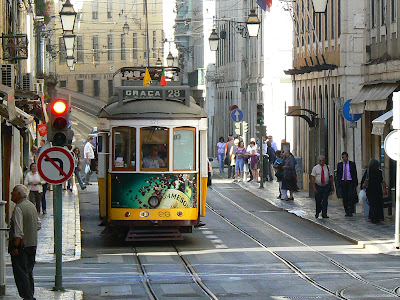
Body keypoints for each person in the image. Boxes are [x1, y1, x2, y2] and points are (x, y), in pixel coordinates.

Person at [8, 184, 41, 300]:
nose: (11, 194)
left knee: (21, 273)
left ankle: (27, 297)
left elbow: (18, 231)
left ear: (18, 194)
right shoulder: (31, 206)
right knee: (29, 271)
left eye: (13, 192)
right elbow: (38, 224)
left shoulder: (18, 208)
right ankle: (30, 294)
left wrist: (15, 246)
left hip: (21, 246)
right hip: (32, 244)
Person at [361, 158, 387, 224]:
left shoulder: (368, 172)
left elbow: (363, 180)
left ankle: (373, 217)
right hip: (378, 190)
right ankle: (378, 217)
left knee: (372, 204)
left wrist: (362, 187)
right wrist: (384, 189)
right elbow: (383, 181)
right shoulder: (379, 172)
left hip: (370, 190)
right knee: (378, 204)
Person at [336, 152, 358, 217]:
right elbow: (338, 174)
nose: (344, 158)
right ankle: (346, 211)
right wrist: (339, 182)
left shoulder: (352, 164)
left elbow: (354, 173)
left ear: (347, 157)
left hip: (350, 182)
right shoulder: (340, 165)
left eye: (345, 157)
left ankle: (351, 210)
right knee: (345, 197)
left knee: (350, 197)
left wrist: (355, 183)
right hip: (343, 182)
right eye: (343, 157)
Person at [36, 140, 47, 214]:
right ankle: (38, 210)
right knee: (38, 197)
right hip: (37, 184)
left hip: (43, 183)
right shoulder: (37, 167)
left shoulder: (46, 167)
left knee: (43, 196)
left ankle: (43, 209)